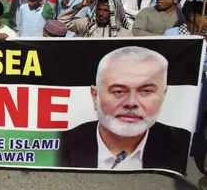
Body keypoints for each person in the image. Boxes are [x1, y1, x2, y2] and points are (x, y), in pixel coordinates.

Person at [58, 47, 190, 172]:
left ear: (164, 94)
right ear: (95, 96)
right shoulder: (61, 145)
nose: (131, 103)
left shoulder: (181, 145)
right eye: (118, 91)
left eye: (146, 91)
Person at [58, 0, 132, 37]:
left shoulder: (124, 33)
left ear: (114, 12)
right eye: (99, 9)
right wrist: (81, 5)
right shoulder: (87, 24)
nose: (100, 13)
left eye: (105, 10)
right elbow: (62, 20)